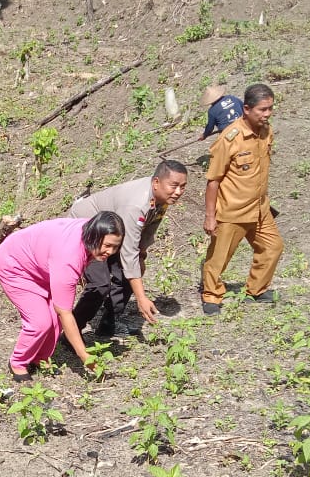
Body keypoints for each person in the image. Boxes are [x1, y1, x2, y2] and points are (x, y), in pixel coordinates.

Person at [0, 212, 125, 381]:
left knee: (55, 318)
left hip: (42, 264)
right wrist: (84, 356)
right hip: (15, 263)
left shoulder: (91, 232)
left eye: (115, 247)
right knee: (39, 322)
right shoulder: (69, 257)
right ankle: (18, 362)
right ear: (95, 234)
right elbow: (66, 313)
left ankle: (39, 357)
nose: (110, 251)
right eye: (107, 245)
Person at [67, 160, 188, 336]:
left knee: (131, 272)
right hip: (86, 231)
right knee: (100, 283)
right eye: (174, 186)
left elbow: (148, 229)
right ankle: (72, 333)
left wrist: (142, 255)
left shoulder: (162, 197)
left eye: (182, 187)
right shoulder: (136, 205)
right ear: (156, 182)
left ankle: (109, 323)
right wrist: (141, 298)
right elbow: (128, 252)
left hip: (113, 233)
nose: (178, 192)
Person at [201, 82, 284, 315]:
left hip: (259, 209)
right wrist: (210, 216)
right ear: (246, 109)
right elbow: (213, 180)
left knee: (273, 247)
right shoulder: (230, 139)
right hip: (232, 211)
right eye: (262, 110)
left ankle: (257, 289)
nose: (267, 114)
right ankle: (211, 295)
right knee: (219, 258)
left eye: (270, 109)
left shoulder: (266, 132)